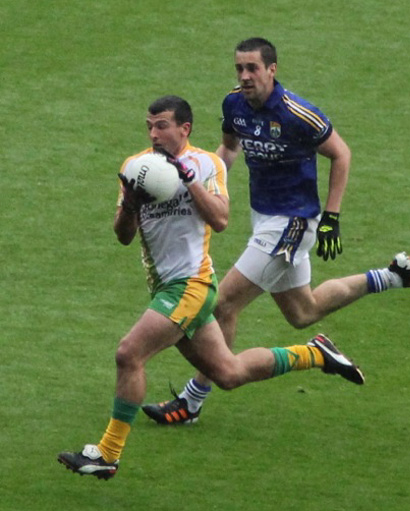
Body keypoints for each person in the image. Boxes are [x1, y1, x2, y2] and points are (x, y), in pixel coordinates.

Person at [57, 95, 366, 480]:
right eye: (149, 126)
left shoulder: (207, 165)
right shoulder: (137, 168)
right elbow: (122, 236)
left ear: (184, 128)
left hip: (192, 285)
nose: (154, 134)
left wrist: (187, 182)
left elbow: (220, 219)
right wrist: (131, 205)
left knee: (128, 353)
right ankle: (316, 354)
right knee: (229, 373)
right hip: (165, 287)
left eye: (162, 125)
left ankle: (107, 454)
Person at [142, 38, 410, 426]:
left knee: (223, 305)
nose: (245, 76)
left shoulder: (297, 113)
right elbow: (229, 150)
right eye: (239, 68)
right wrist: (208, 184)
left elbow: (341, 153)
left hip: (293, 223)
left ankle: (192, 401)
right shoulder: (233, 104)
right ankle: (393, 275)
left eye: (252, 68)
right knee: (305, 311)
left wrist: (332, 216)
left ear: (272, 69)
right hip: (262, 218)